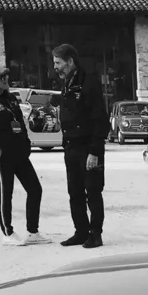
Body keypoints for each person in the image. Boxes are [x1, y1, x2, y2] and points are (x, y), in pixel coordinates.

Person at [0, 64, 50, 247]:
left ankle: (33, 231)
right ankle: (7, 232)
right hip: (3, 156)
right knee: (6, 192)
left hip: (20, 153)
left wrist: (26, 143)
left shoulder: (11, 99)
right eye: (2, 78)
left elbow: (20, 123)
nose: (6, 81)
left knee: (35, 189)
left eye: (7, 77)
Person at [52, 43, 110, 249]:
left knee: (92, 192)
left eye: (58, 63)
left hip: (88, 148)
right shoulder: (67, 83)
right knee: (74, 192)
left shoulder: (89, 82)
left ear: (70, 61)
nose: (55, 67)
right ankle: (81, 231)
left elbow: (100, 120)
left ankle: (95, 234)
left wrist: (94, 151)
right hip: (71, 147)